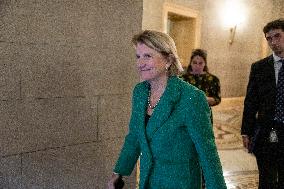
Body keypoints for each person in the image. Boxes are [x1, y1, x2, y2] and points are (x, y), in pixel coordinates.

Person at [108, 30, 227, 189]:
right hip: (148, 181)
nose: (140, 63)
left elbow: (207, 153)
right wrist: (119, 172)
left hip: (180, 183)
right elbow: (135, 136)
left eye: (148, 56)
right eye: (138, 56)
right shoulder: (140, 92)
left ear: (168, 60)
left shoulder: (191, 98)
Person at [241, 18, 284, 189]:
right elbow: (251, 101)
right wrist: (246, 130)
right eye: (269, 38)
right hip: (267, 131)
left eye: (277, 36)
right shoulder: (259, 67)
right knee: (266, 178)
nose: (273, 42)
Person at [182, 48, 221, 123]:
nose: (197, 66)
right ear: (190, 63)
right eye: (194, 63)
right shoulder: (182, 79)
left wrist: (205, 99)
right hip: (186, 116)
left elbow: (217, 99)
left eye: (200, 63)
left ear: (205, 64)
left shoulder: (213, 79)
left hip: (204, 116)